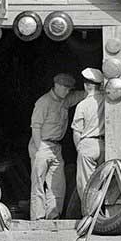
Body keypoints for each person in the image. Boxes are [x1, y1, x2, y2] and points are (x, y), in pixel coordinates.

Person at [29, 73, 83, 220]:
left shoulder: (65, 100)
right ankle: (38, 219)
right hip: (42, 144)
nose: (68, 92)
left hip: (56, 148)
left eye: (69, 90)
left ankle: (53, 217)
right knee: (38, 183)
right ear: (57, 86)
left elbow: (83, 95)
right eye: (65, 89)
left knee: (58, 185)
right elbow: (36, 127)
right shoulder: (43, 102)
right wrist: (39, 149)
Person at [71, 67, 105, 212]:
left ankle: (89, 215)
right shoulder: (106, 101)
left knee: (85, 184)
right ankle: (103, 214)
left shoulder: (82, 105)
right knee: (103, 181)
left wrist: (79, 148)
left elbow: (77, 131)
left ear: (86, 85)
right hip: (104, 144)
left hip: (88, 144)